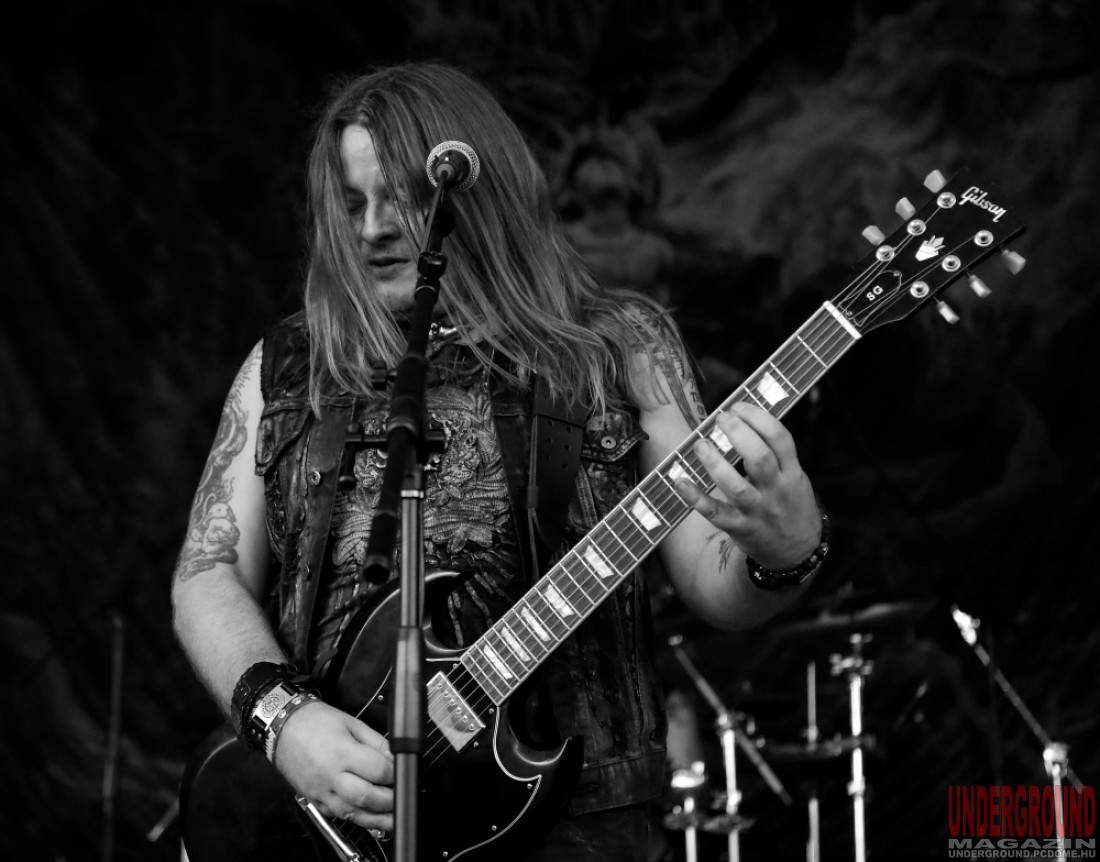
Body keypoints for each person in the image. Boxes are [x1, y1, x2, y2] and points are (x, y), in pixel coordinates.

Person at [171, 61, 826, 861]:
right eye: (352, 204)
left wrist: (785, 550)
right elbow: (206, 575)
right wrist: (283, 721)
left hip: (583, 829)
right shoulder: (285, 366)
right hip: (331, 825)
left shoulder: (620, 348)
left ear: (478, 191)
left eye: (402, 197)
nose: (373, 228)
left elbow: (713, 580)